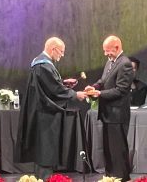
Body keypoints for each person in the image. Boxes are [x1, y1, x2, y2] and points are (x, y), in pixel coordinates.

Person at [17, 37, 87, 180]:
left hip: (41, 113)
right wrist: (75, 94)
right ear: (53, 48)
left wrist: (63, 83)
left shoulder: (41, 63)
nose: (62, 55)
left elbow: (49, 86)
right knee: (45, 152)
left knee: (44, 151)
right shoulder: (43, 65)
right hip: (45, 116)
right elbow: (54, 90)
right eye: (61, 52)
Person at [85, 35, 133, 181]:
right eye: (104, 51)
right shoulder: (111, 62)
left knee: (117, 150)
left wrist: (99, 93)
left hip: (117, 115)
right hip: (108, 114)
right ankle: (110, 176)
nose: (106, 54)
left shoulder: (125, 64)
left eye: (108, 51)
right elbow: (103, 80)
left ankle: (121, 177)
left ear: (117, 47)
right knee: (109, 149)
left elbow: (121, 90)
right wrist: (93, 87)